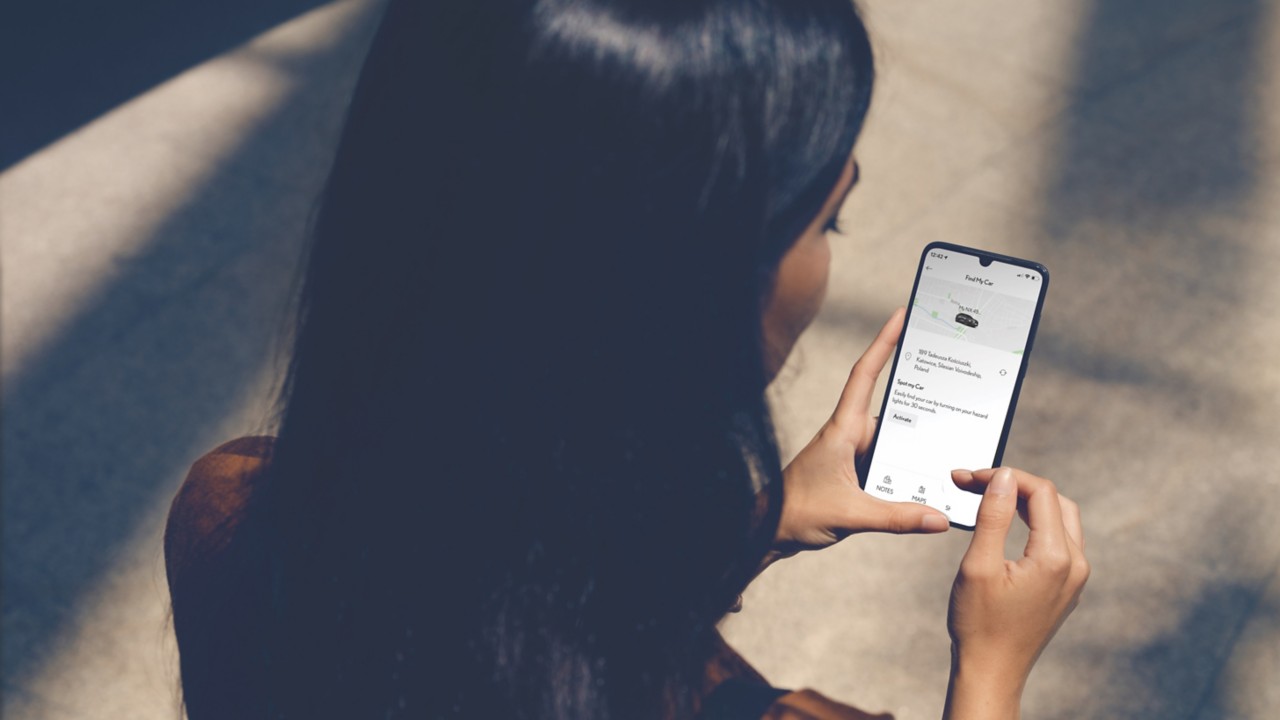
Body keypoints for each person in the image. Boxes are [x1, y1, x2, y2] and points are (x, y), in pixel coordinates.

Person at [164, 0, 1089, 718]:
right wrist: (991, 671)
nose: (826, 259)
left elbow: (510, 623)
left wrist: (755, 525)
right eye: (825, 218)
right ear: (693, 289)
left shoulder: (233, 515)